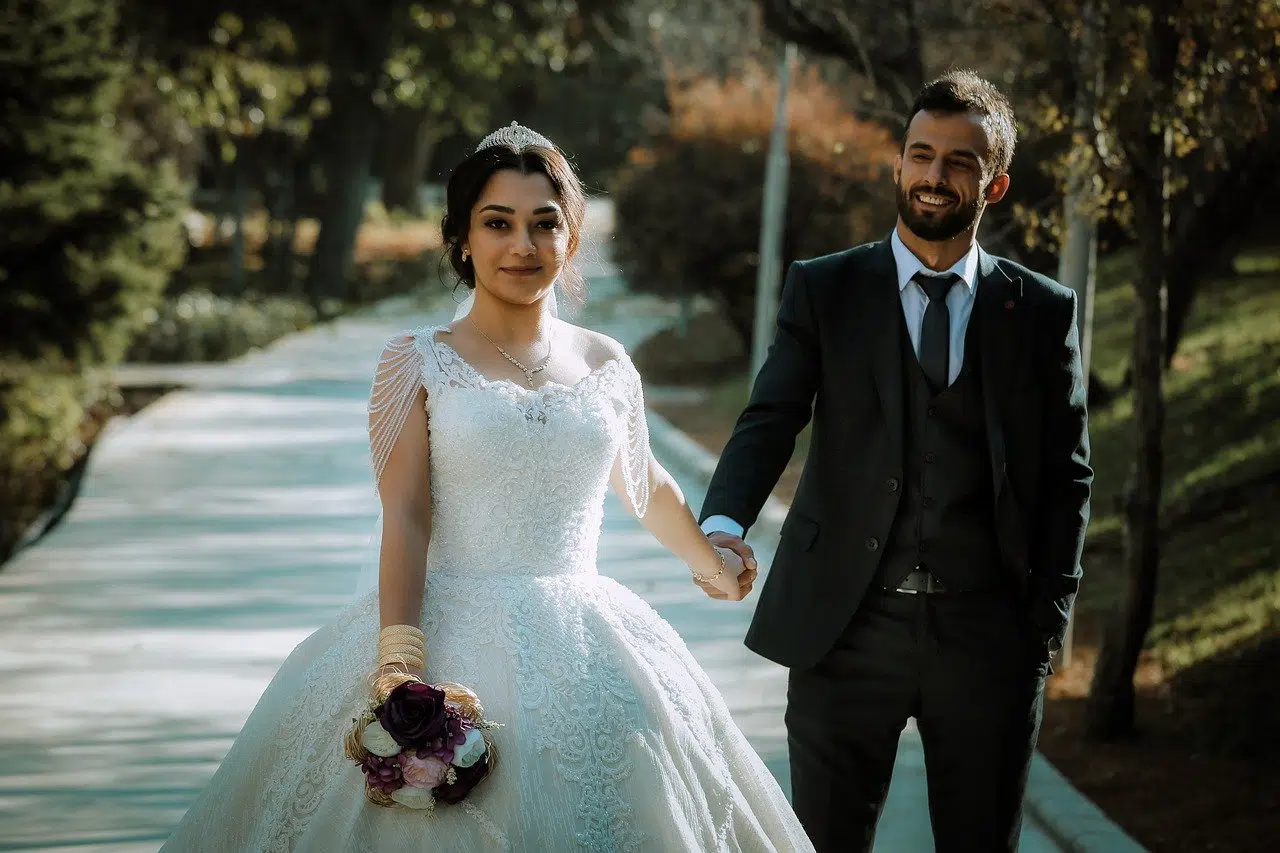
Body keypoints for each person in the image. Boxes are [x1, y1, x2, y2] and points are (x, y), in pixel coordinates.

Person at [157, 122, 815, 853]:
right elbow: (405, 515)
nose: (522, 246)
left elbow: (643, 481)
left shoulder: (606, 361)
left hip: (591, 640)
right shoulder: (418, 361)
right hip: (447, 629)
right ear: (463, 239)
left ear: (570, 239)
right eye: (497, 224)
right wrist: (400, 668)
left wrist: (711, 562)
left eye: (544, 225)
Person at [697, 71, 1093, 853]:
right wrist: (721, 521)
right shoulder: (827, 288)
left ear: (996, 183)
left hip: (987, 636)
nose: (935, 175)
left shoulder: (1040, 309)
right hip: (845, 626)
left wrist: (1044, 619)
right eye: (920, 154)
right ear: (898, 166)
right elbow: (771, 417)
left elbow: (1067, 473)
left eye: (959, 161)